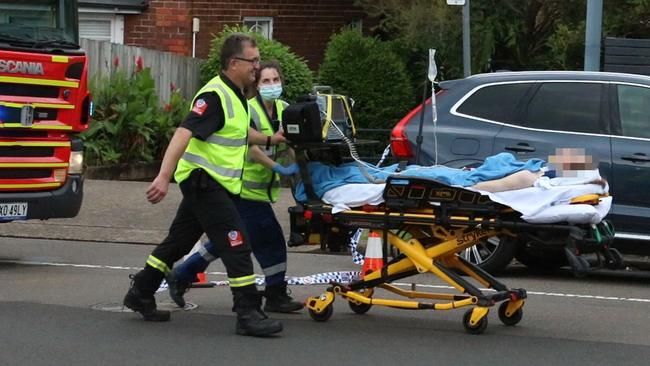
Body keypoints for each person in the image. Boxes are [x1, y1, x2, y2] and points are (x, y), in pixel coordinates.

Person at [122, 34, 290, 337]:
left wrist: (269, 139)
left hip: (214, 184)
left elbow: (238, 133)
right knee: (237, 243)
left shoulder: (236, 94)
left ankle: (141, 292)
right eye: (252, 60)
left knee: (179, 242)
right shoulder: (213, 96)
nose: (257, 66)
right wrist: (163, 176)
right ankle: (247, 312)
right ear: (233, 63)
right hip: (203, 182)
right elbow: (183, 133)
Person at [167, 61, 304, 314]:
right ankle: (274, 294)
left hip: (260, 191)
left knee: (231, 240)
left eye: (276, 80)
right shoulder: (247, 108)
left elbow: (292, 141)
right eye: (265, 81)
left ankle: (182, 274)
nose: (272, 85)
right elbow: (250, 147)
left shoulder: (285, 110)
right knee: (269, 238)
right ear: (256, 84)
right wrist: (278, 168)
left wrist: (299, 167)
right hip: (242, 187)